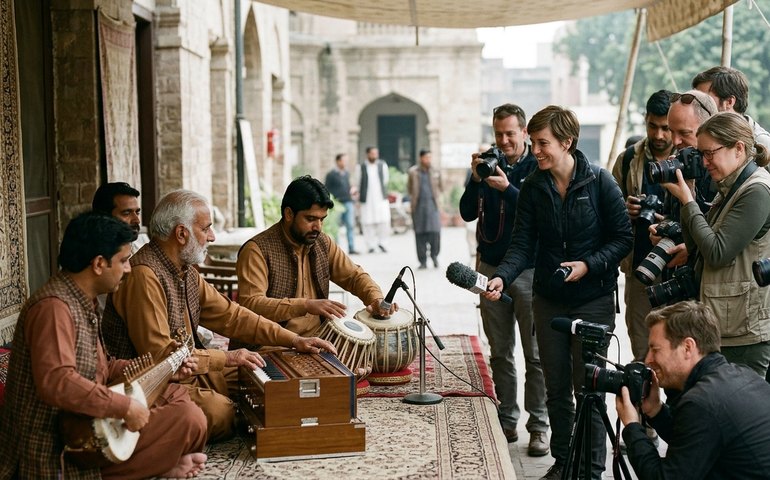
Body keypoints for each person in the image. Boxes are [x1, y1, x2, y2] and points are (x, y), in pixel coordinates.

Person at [101, 190, 336, 442]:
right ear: (181, 234)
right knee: (219, 412)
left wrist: (293, 341)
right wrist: (228, 357)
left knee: (268, 372)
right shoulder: (143, 276)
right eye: (207, 228)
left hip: (192, 368)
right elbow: (161, 358)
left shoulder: (185, 271)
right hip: (154, 383)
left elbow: (232, 315)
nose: (211, 237)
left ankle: (244, 409)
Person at [483, 105, 633, 480]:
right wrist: (502, 276)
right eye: (533, 142)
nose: (535, 150)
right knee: (556, 389)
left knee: (591, 389)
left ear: (567, 142)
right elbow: (522, 243)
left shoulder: (600, 182)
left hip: (595, 300)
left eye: (542, 143)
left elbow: (623, 239)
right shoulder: (533, 186)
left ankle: (592, 470)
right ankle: (565, 463)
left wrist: (589, 265)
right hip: (549, 300)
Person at [0, 212, 208, 479]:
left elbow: (101, 367)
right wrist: (124, 407)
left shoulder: (81, 300)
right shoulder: (53, 308)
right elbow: (57, 382)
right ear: (99, 263)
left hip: (87, 425)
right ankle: (160, 465)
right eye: (123, 261)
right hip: (61, 447)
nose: (129, 268)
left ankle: (161, 464)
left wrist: (162, 370)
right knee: (188, 418)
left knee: (179, 398)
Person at [459, 104, 549, 456]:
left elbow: (541, 213)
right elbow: (467, 212)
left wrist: (509, 188)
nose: (505, 140)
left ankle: (539, 425)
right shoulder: (488, 163)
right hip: (489, 267)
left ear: (524, 133)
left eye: (511, 133)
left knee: (536, 354)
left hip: (528, 269)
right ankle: (508, 419)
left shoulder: (537, 165)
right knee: (500, 351)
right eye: (499, 134)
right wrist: (477, 179)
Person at [659, 112, 770, 377]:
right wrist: (691, 193)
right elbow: (697, 247)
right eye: (701, 154)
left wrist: (688, 202)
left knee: (742, 414)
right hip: (725, 324)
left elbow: (717, 252)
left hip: (745, 332)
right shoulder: (730, 186)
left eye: (710, 154)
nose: (704, 163)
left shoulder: (756, 190)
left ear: (739, 149)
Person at [616, 301, 770, 479]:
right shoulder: (741, 375)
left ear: (688, 347)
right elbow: (693, 444)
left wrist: (632, 426)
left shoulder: (702, 401)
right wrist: (656, 411)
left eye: (655, 349)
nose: (648, 360)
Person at [236, 175, 397, 340]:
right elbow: (252, 304)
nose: (318, 227)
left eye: (322, 219)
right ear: (289, 213)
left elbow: (353, 276)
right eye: (310, 219)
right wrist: (305, 305)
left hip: (317, 340)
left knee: (370, 361)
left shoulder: (322, 242)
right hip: (269, 346)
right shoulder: (256, 250)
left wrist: (375, 298)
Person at [611, 90, 674, 361]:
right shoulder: (627, 160)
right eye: (652, 126)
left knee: (678, 351)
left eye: (665, 128)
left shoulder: (693, 159)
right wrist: (627, 210)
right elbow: (607, 214)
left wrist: (671, 222)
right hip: (638, 270)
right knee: (642, 350)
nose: (659, 135)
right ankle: (644, 403)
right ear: (645, 120)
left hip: (679, 270)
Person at [692, 66, 770, 151]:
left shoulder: (761, 143)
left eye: (703, 100)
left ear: (729, 102)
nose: (695, 106)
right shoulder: (701, 135)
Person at [407, 149, 443, 269]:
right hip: (418, 206)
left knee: (435, 233)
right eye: (426, 157)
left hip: (433, 206)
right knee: (420, 234)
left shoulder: (435, 171)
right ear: (421, 158)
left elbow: (441, 187)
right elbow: (409, 189)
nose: (428, 160)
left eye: (430, 157)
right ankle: (422, 261)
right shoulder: (413, 172)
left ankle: (434, 256)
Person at [92, 181, 150, 254]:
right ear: (105, 217)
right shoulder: (96, 253)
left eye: (137, 212)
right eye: (126, 213)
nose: (137, 220)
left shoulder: (139, 246)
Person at [325, 153, 359, 254]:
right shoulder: (331, 174)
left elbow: (349, 186)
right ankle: (336, 250)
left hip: (348, 202)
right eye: (343, 160)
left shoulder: (347, 174)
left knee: (350, 225)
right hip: (337, 203)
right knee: (336, 226)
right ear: (338, 161)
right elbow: (326, 188)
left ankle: (351, 247)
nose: (345, 163)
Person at [358, 146, 391, 253]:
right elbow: (358, 182)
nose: (374, 156)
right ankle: (370, 245)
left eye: (376, 153)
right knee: (368, 222)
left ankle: (383, 243)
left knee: (384, 221)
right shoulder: (361, 167)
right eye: (372, 154)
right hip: (367, 199)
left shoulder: (382, 165)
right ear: (367, 154)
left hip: (380, 198)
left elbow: (385, 180)